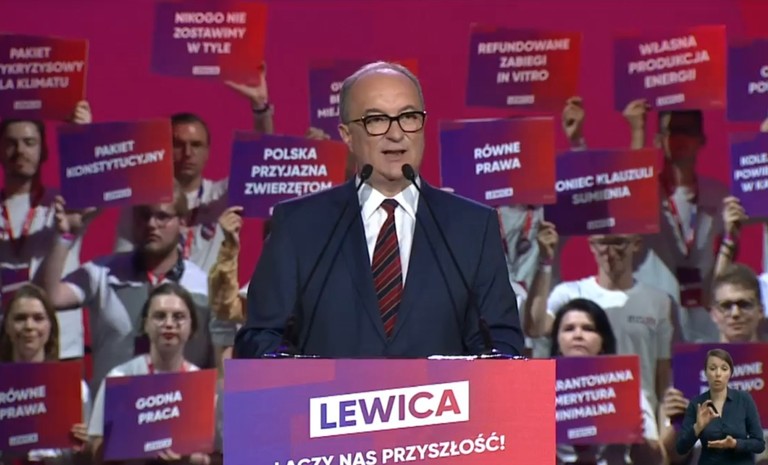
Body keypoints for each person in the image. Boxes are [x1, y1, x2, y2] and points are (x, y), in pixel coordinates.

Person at [235, 61, 523, 358]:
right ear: (347, 135)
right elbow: (260, 339)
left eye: (408, 117)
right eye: (376, 120)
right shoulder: (299, 225)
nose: (396, 134)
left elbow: (500, 341)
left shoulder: (473, 227)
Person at [33, 183, 217, 393]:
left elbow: (217, 365)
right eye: (143, 215)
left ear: (183, 223)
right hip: (110, 409)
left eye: (162, 217)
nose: (151, 224)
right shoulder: (103, 272)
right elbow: (45, 299)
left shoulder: (204, 287)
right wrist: (65, 236)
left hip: (178, 408)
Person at [525, 221, 679, 410]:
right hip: (583, 410)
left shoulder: (658, 300)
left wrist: (664, 424)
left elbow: (662, 374)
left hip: (640, 415)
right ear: (591, 245)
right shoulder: (569, 293)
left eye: (618, 242)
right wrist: (545, 262)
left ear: (636, 244)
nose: (610, 251)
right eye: (602, 243)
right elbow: (534, 328)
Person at [0, 102, 95, 360]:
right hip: (7, 348)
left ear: (44, 151)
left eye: (29, 142)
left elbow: (98, 188)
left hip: (62, 346)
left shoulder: (65, 203)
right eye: (11, 143)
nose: (20, 151)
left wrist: (82, 135)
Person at [88, 283, 219, 465]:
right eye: (159, 316)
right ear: (145, 324)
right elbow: (96, 453)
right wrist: (122, 438)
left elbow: (215, 457)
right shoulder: (120, 378)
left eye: (179, 317)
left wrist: (187, 459)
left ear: (192, 326)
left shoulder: (203, 387)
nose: (169, 324)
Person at [660, 264, 767, 464]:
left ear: (760, 310)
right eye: (726, 306)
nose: (735, 313)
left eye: (744, 304)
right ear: (713, 313)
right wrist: (676, 423)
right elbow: (670, 456)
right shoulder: (690, 369)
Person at [549, 298, 663, 465]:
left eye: (588, 328)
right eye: (569, 329)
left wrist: (636, 437)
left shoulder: (625, 388)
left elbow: (655, 461)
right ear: (557, 342)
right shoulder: (538, 391)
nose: (578, 335)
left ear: (603, 341)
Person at [0, 284, 90, 465]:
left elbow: (83, 457)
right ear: (7, 327)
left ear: (50, 327)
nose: (29, 326)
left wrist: (85, 445)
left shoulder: (75, 387)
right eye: (20, 318)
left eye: (38, 318)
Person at [676, 348, 765, 464]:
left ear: (730, 373)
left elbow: (759, 444)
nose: (718, 374)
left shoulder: (744, 399)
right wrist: (698, 427)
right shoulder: (697, 403)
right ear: (705, 373)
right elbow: (681, 448)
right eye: (712, 368)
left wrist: (735, 443)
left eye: (724, 369)